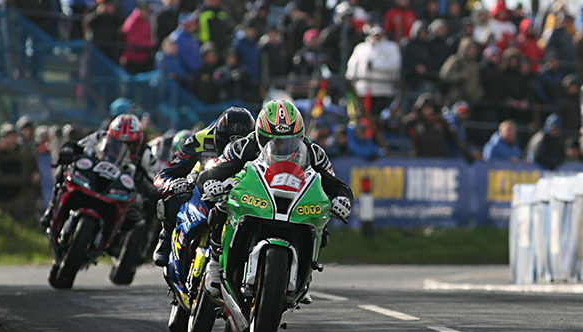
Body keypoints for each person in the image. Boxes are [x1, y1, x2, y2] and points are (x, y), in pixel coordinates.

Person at [194, 99, 353, 297]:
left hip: (293, 201)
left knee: (321, 223)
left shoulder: (314, 152)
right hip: (254, 196)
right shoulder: (243, 146)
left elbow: (336, 184)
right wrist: (211, 182)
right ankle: (215, 263)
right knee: (220, 207)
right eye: (272, 140)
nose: (280, 146)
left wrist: (342, 199)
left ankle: (304, 271)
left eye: (288, 141)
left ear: (300, 137)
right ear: (260, 135)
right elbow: (213, 170)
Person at [152, 106, 255, 266]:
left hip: (237, 190)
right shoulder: (199, 139)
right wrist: (173, 184)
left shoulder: (255, 146)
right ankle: (166, 238)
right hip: (201, 184)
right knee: (177, 198)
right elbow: (165, 174)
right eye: (227, 141)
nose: (231, 148)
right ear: (218, 135)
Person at [41, 114, 157, 230]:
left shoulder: (145, 153)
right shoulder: (101, 136)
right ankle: (51, 209)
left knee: (137, 211)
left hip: (120, 188)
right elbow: (79, 145)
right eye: (117, 142)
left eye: (129, 145)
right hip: (93, 177)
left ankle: (118, 240)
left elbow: (156, 176)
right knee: (64, 169)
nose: (121, 147)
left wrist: (147, 186)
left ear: (137, 141)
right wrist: (69, 150)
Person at [345, 25, 402, 116]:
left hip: (384, 89)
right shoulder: (360, 48)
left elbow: (395, 65)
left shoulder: (391, 47)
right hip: (362, 89)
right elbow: (352, 65)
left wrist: (376, 66)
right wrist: (350, 77)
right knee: (363, 114)